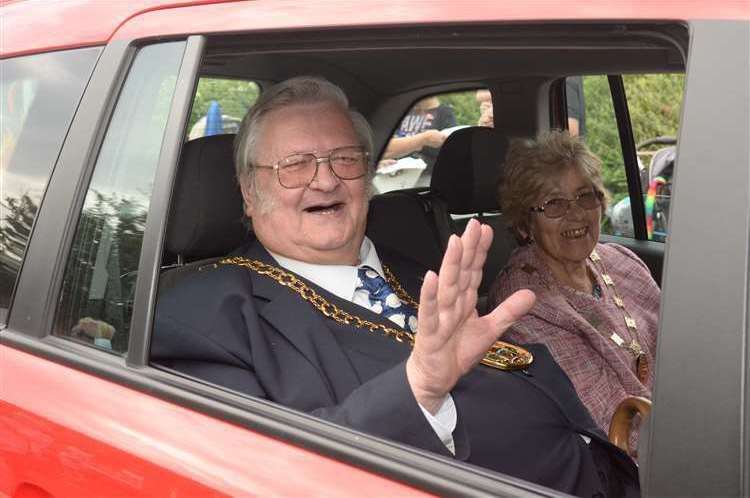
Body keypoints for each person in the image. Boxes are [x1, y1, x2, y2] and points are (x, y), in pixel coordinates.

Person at [152, 77, 639, 497]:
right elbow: (259, 478)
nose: (324, 181)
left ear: (367, 176)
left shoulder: (418, 266)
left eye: (344, 159)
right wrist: (418, 387)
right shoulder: (203, 320)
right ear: (248, 190)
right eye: (295, 165)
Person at [489, 130, 659, 451]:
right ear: (525, 224)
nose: (576, 213)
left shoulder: (619, 260)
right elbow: (608, 421)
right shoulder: (523, 302)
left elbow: (684, 349)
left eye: (585, 196)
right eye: (553, 203)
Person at [381, 95, 456, 186]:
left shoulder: (444, 112)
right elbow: (386, 144)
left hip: (426, 175)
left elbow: (450, 148)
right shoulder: (404, 111)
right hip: (393, 174)